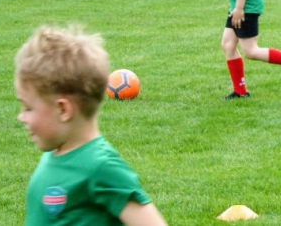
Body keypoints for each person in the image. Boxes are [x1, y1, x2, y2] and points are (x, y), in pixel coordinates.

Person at [14, 25, 168, 225]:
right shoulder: (54, 154)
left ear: (63, 110)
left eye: (27, 108)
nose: (21, 117)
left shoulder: (101, 168)